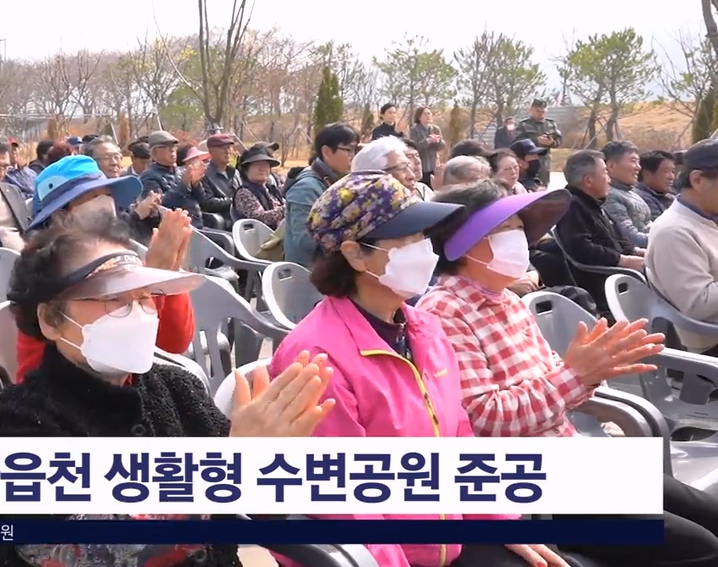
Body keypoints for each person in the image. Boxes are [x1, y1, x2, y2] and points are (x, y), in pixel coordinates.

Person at [0, 210, 335, 567]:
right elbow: (77, 551)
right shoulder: (15, 424)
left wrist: (276, 467)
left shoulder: (179, 389)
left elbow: (248, 510)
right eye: (114, 297)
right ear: (51, 320)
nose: (138, 313)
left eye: (145, 295)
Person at [271, 171, 579, 567]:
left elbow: (457, 437)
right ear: (355, 253)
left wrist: (500, 520)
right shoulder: (317, 357)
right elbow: (339, 497)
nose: (426, 250)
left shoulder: (423, 328)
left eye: (423, 236)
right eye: (408, 239)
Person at [419, 179, 718, 567]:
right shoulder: (444, 312)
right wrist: (575, 376)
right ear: (462, 244)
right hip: (528, 480)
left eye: (518, 228)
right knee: (699, 547)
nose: (519, 240)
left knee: (707, 512)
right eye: (502, 231)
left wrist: (592, 371)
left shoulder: (508, 300)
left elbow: (552, 387)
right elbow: (482, 416)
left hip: (573, 456)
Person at [15, 155, 195, 382]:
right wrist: (151, 280)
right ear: (61, 214)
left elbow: (175, 341)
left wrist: (168, 277)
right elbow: (103, 352)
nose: (105, 203)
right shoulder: (43, 266)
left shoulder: (121, 256)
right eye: (92, 197)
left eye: (107, 195)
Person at [646, 140, 718, 356]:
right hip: (710, 344)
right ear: (697, 180)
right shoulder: (673, 232)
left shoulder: (706, 217)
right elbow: (698, 304)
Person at [556, 150, 644, 309]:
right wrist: (621, 260)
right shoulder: (572, 206)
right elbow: (582, 248)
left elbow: (618, 239)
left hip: (619, 272)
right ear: (588, 180)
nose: (609, 180)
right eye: (605, 173)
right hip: (606, 280)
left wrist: (636, 252)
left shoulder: (595, 204)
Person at [284, 123, 356, 267]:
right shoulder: (305, 188)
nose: (353, 156)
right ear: (327, 152)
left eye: (355, 150)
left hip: (328, 267)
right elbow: (305, 242)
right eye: (348, 150)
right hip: (307, 273)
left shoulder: (334, 180)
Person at [601, 140, 650, 248]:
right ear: (611, 166)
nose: (638, 167)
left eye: (638, 162)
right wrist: (666, 238)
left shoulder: (631, 192)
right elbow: (631, 239)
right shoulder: (610, 197)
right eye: (633, 161)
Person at [512, 99, 561, 189]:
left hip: (545, 162)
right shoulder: (524, 124)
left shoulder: (551, 124)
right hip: (529, 162)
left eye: (543, 111)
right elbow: (516, 141)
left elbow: (559, 140)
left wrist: (552, 143)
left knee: (543, 186)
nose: (541, 113)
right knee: (529, 186)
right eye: (538, 111)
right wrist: (535, 141)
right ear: (531, 110)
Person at [231, 146, 284, 228]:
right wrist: (287, 210)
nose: (262, 169)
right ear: (246, 170)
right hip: (259, 238)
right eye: (257, 165)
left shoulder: (272, 190)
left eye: (265, 165)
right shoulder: (244, 193)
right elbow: (259, 218)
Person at [635, 150, 677, 220]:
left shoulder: (669, 196)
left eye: (673, 171)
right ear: (647, 174)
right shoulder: (641, 199)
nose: (671, 177)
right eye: (665, 171)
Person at [408, 106, 444, 186]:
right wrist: (427, 141)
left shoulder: (435, 129)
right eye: (425, 114)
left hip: (434, 164)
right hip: (422, 165)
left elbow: (442, 146)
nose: (428, 116)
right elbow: (413, 147)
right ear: (419, 117)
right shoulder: (414, 130)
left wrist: (438, 141)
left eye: (429, 113)